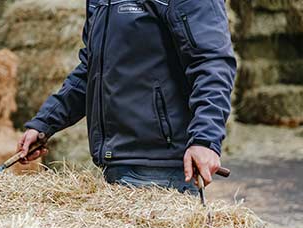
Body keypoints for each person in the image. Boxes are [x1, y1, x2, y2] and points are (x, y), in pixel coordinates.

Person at [17, 0, 236, 194]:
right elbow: (92, 69)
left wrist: (205, 140)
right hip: (116, 162)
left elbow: (211, 64)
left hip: (162, 168)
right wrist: (45, 123)